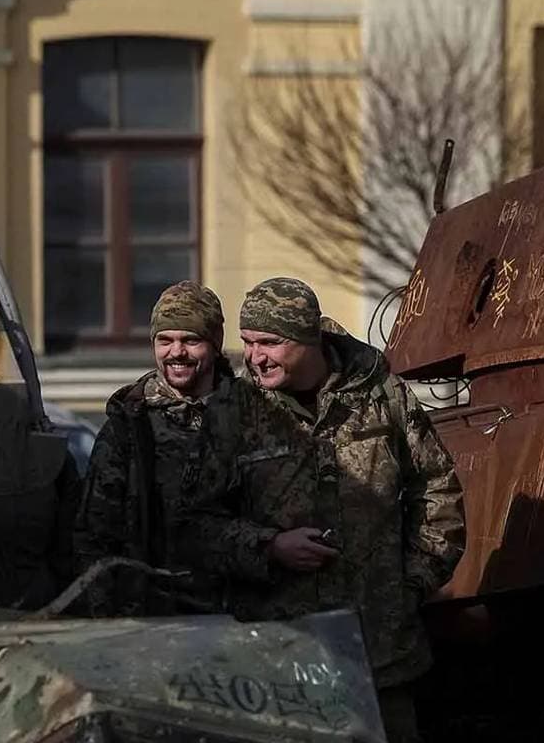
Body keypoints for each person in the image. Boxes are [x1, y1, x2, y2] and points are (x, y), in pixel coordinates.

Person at [182, 277, 465, 743]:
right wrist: (268, 546)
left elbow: (437, 491)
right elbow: (194, 525)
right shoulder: (233, 412)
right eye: (249, 343)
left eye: (270, 342)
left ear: (308, 339)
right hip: (280, 659)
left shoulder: (382, 397)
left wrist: (410, 584)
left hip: (380, 654)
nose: (255, 357)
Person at [72, 280, 237, 615]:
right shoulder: (129, 425)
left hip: (232, 612)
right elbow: (94, 535)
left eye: (191, 340)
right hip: (149, 616)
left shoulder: (249, 416)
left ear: (216, 342)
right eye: (165, 340)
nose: (176, 352)